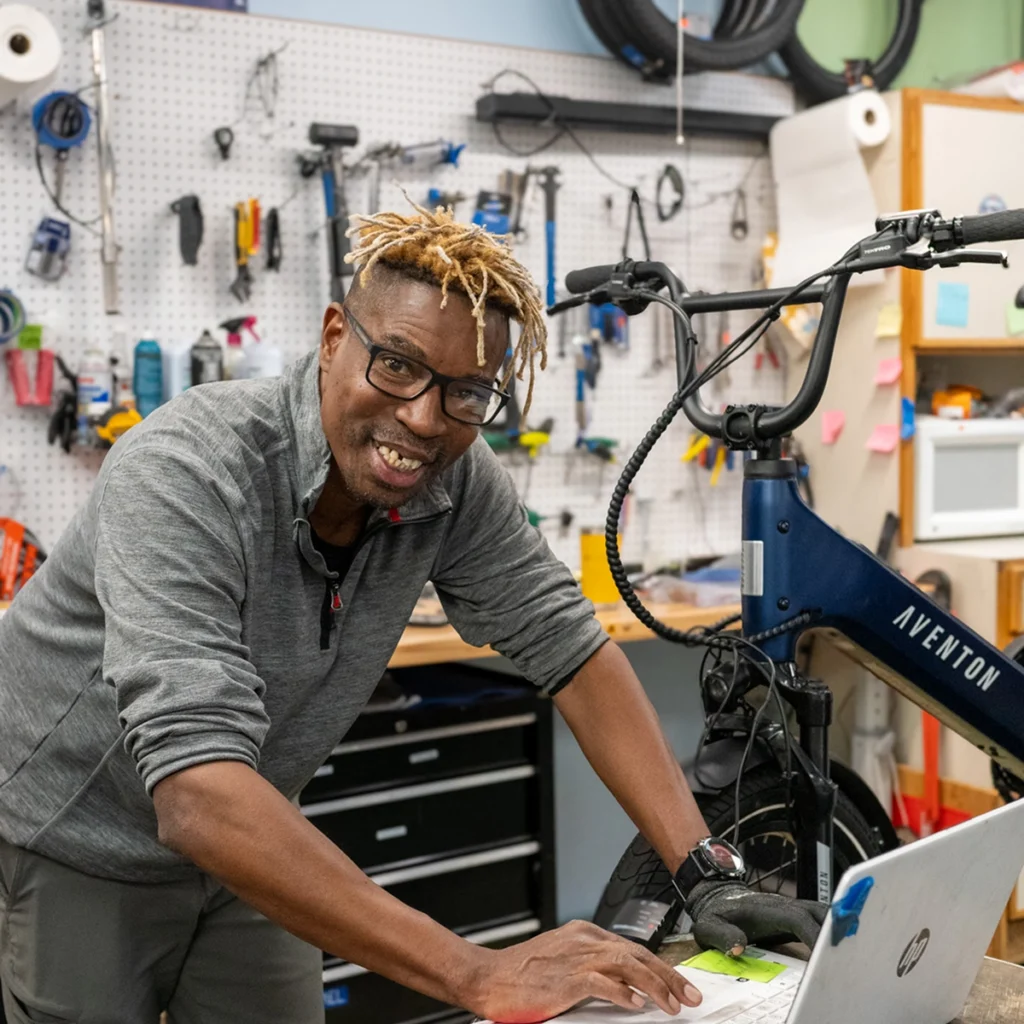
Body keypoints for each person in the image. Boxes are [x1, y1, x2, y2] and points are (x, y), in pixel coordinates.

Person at [0, 201, 824, 1024]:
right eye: (395, 364)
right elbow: (197, 795)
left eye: (468, 392)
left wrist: (705, 870)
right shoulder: (187, 469)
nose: (423, 418)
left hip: (249, 834)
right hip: (73, 835)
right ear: (332, 339)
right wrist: (476, 973)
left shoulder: (453, 478)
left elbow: (574, 654)